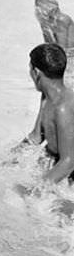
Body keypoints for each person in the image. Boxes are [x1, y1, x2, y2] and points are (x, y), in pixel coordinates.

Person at [17, 43, 74, 184]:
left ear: (36, 72)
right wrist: (2, 161)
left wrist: (37, 189)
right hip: (57, 164)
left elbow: (68, 161)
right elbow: (36, 137)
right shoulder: (47, 98)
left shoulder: (63, 107)